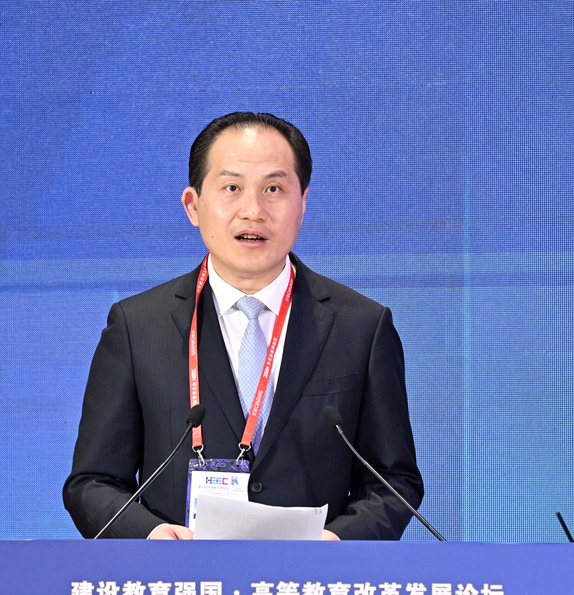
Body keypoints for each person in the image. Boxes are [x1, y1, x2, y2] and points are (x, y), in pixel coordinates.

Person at [63, 112, 422, 540]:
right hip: (182, 576)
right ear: (193, 206)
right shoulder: (137, 326)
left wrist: (338, 542)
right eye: (232, 188)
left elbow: (393, 482)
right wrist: (151, 536)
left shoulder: (361, 326)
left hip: (313, 578)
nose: (253, 211)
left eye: (274, 189)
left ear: (303, 205)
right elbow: (92, 484)